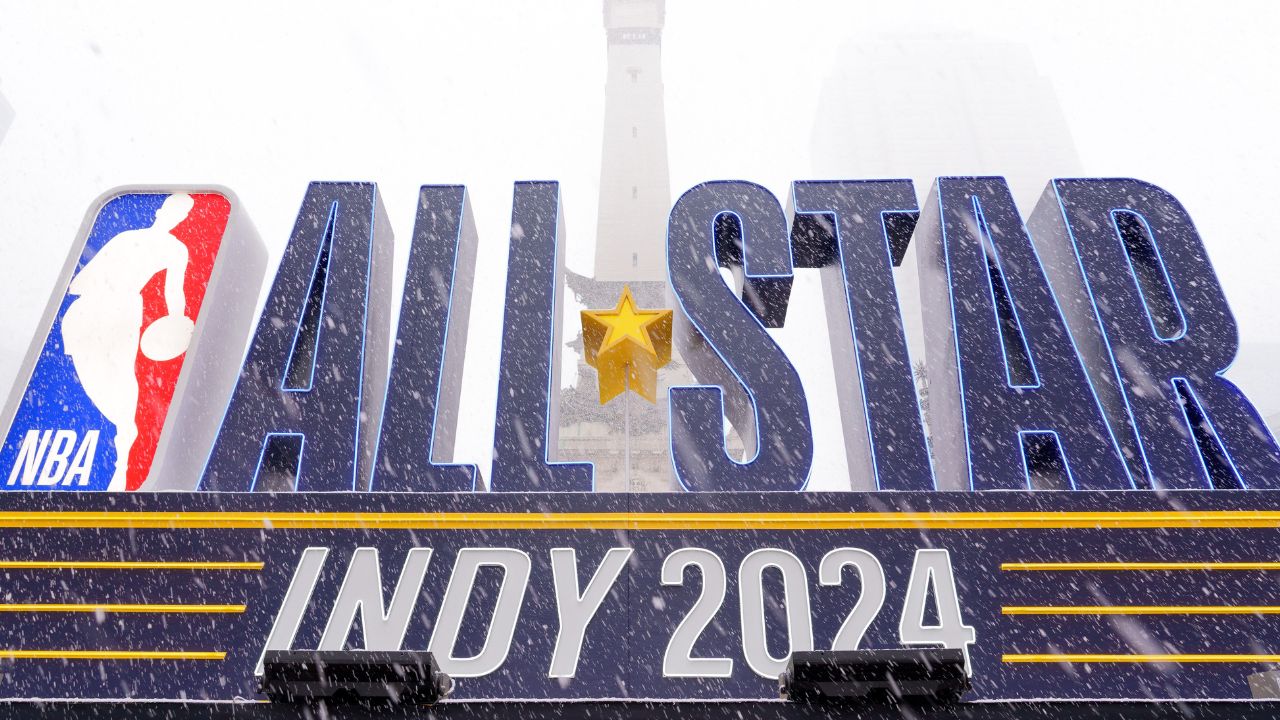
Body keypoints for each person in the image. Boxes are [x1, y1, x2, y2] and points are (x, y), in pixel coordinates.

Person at [60, 193, 194, 491]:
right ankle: (120, 440)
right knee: (94, 378)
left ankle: (122, 461)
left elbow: (175, 292)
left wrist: (178, 324)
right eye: (173, 209)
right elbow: (80, 281)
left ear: (183, 219)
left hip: (122, 311)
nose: (174, 215)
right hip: (92, 309)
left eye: (181, 213)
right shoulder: (125, 237)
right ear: (161, 210)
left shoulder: (175, 249)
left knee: (122, 380)